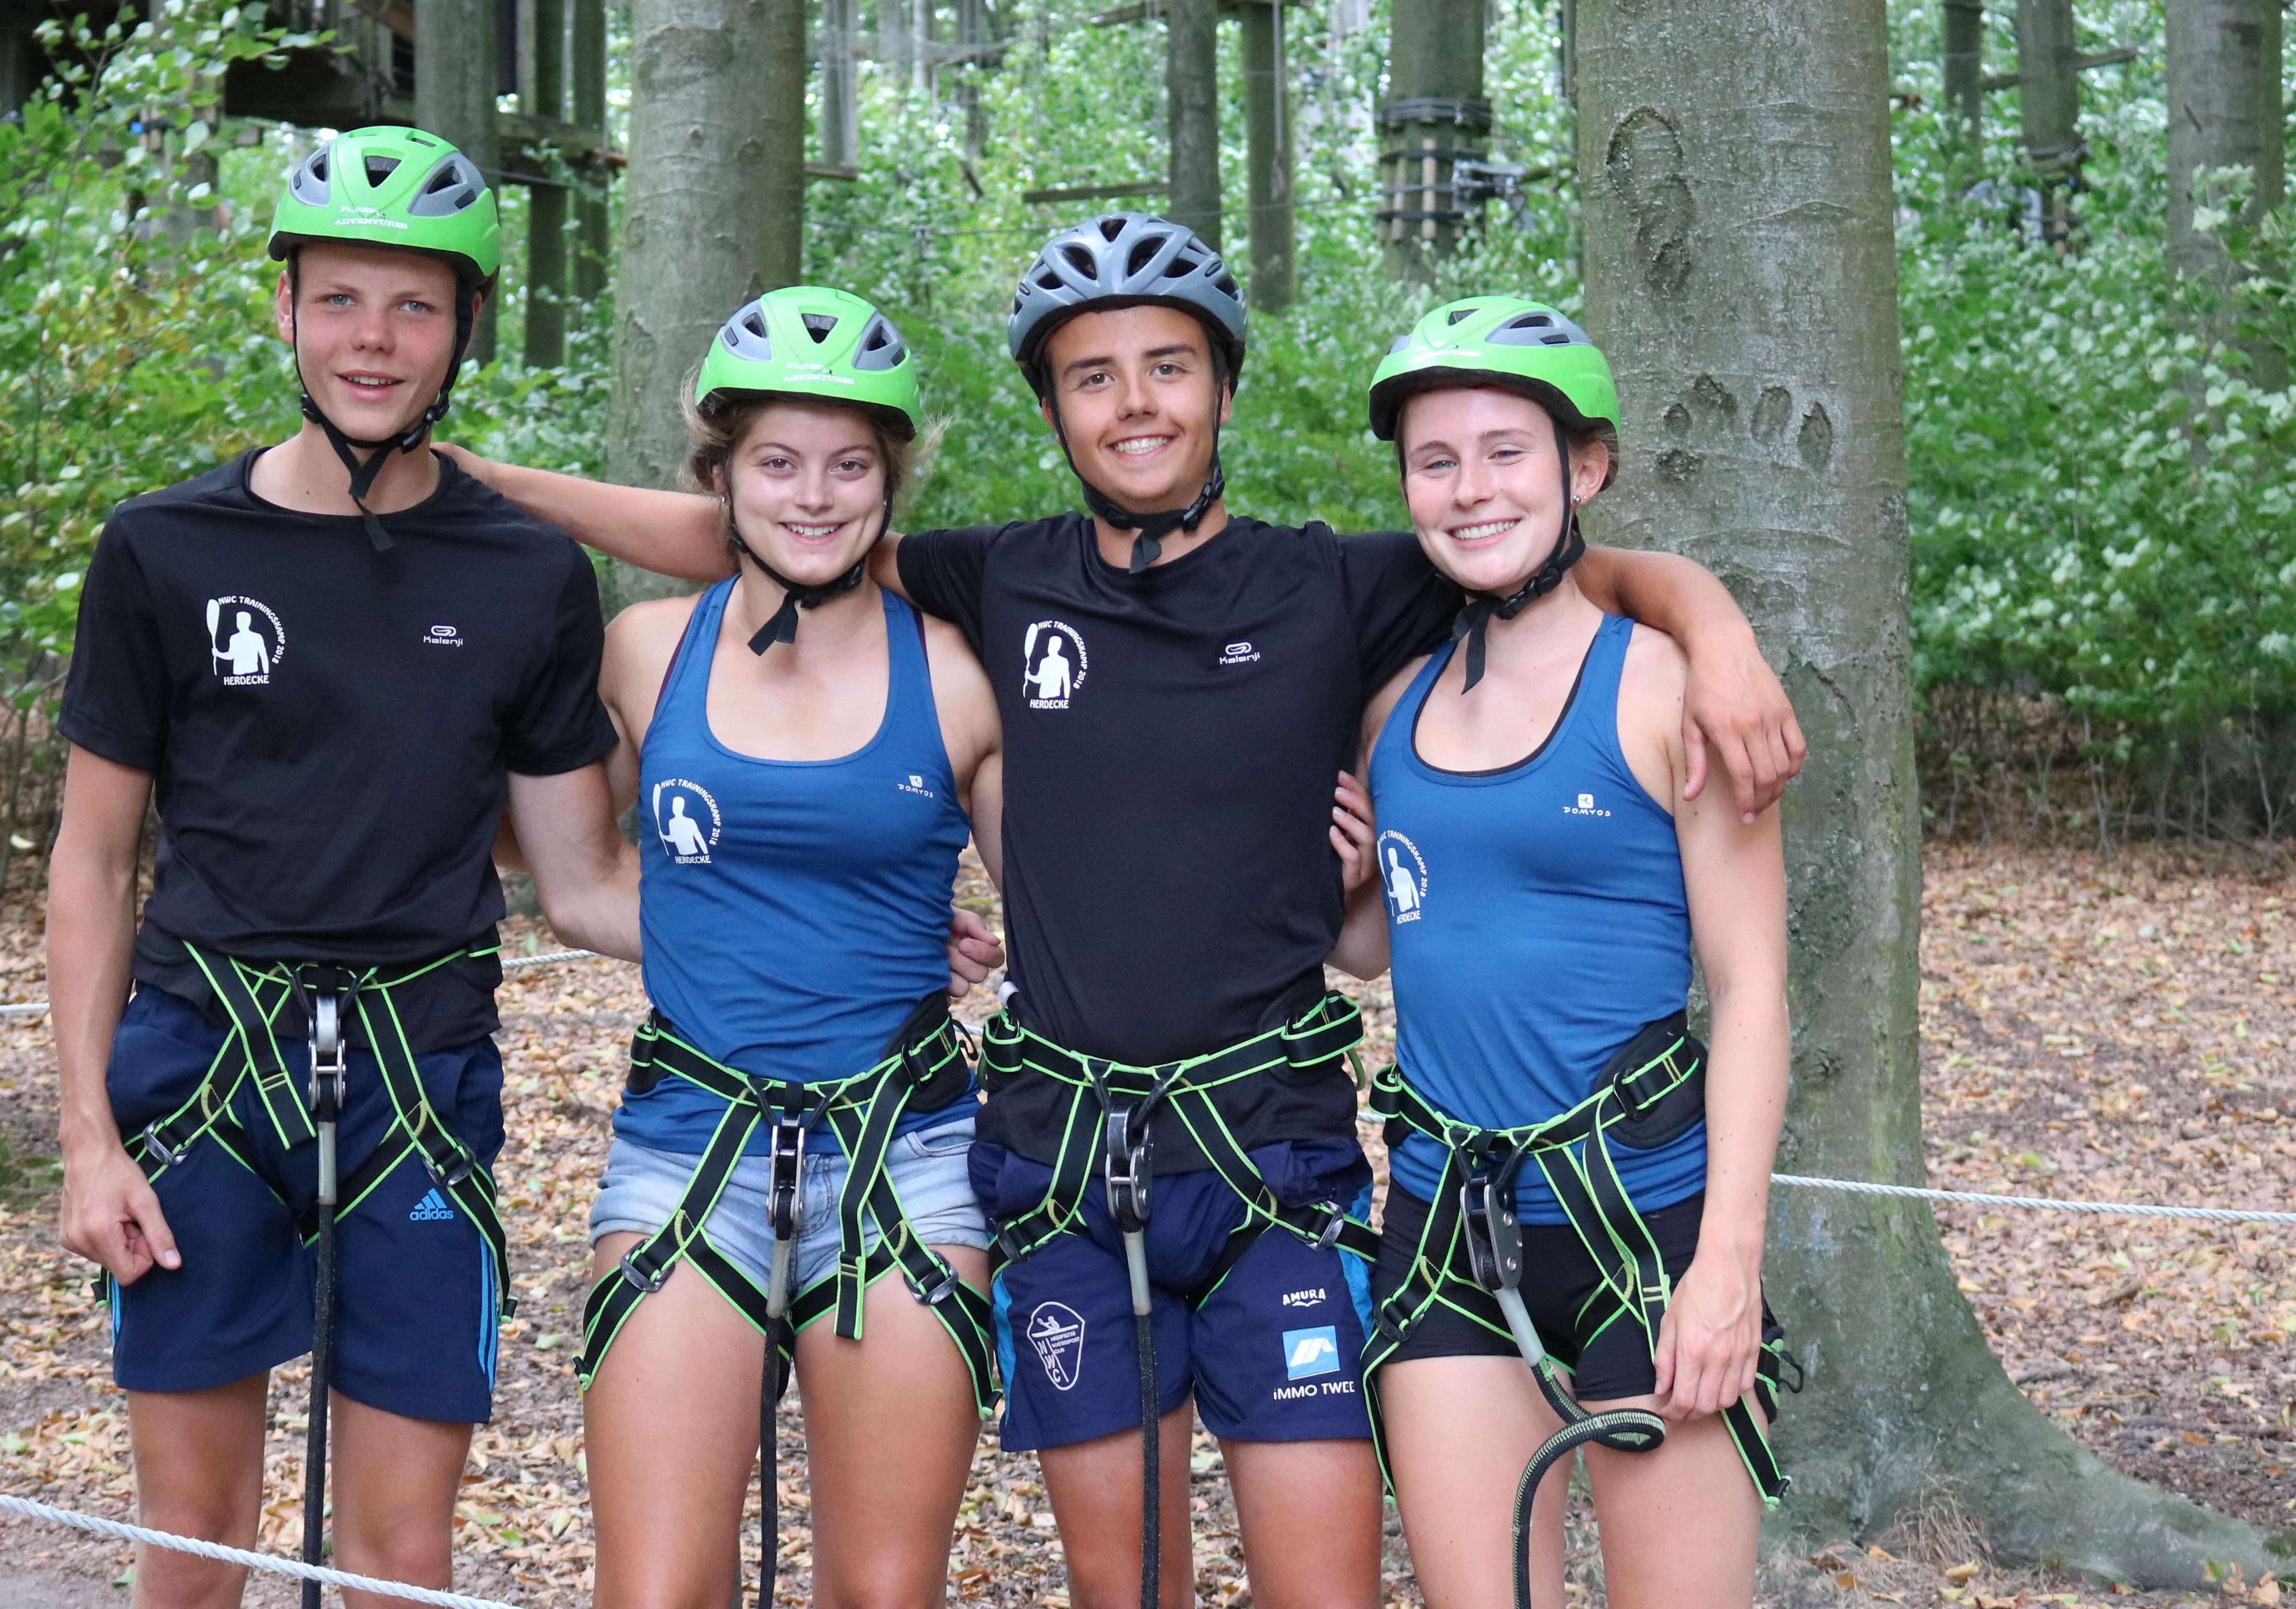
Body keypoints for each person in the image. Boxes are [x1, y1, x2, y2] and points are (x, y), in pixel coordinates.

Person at [446, 215, 1807, 1609]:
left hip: (1275, 1144)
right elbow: (767, 530)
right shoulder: (1003, 577)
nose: (1136, 402)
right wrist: (481, 478)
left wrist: (1712, 628)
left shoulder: (1334, 584)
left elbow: (1566, 564)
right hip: (1064, 1154)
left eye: (1169, 366)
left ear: (1224, 388)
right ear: (1052, 409)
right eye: (1093, 376)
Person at [45, 127, 641, 1609]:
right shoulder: (165, 548)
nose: (374, 339)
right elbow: (94, 857)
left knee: (402, 1559)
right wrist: (86, 1140)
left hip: (420, 1071)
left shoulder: (528, 573)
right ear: (286, 308)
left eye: (416, 305)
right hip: (202, 1064)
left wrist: (844, 921)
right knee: (195, 1545)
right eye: (341, 300)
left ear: (466, 325)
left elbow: (579, 878)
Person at [1333, 297, 1797, 1609]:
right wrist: (1332, 881)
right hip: (1443, 1226)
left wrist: (1729, 1265)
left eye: (1506, 452)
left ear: (1584, 468)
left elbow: (1753, 989)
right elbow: (1379, 946)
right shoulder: (1394, 701)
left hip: (1642, 1225)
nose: (1471, 488)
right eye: (1437, 460)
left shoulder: (1671, 688)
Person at [574, 286, 1008, 1609]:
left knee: (883, 1592)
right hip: (687, 1141)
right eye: (777, 462)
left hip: (907, 1151)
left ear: (890, 480)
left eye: (849, 465)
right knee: (656, 1592)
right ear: (719, 476)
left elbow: (1069, 909)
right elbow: (574, 883)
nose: (813, 496)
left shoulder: (958, 670)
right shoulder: (645, 652)